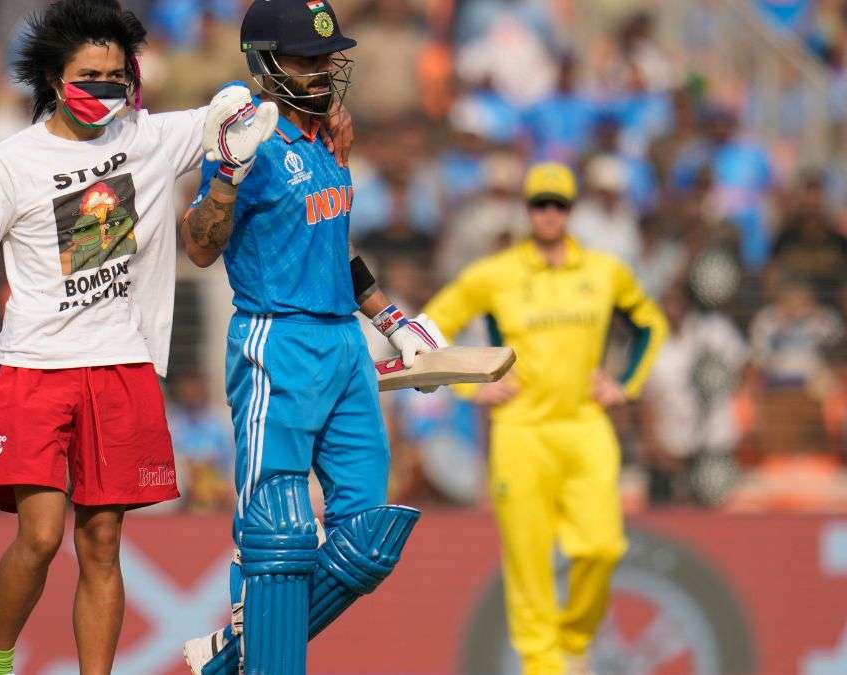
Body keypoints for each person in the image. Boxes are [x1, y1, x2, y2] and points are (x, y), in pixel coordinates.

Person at [0, 2, 285, 674]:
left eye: (115, 75)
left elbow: (240, 109)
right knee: (39, 536)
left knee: (103, 542)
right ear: (52, 76)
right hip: (35, 366)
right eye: (88, 76)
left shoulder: (152, 137)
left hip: (123, 366)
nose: (104, 89)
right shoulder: (11, 161)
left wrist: (281, 108)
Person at [179, 1, 433, 673]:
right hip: (277, 342)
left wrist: (391, 320)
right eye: (306, 60)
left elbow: (333, 250)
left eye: (327, 59)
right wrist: (228, 172)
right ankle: (258, 655)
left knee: (368, 540)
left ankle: (233, 650)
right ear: (266, 62)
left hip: (344, 347)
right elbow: (200, 246)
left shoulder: (331, 141)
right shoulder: (251, 144)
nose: (322, 72)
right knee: (279, 534)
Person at [421, 163, 669, 675]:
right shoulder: (497, 274)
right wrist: (471, 385)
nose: (549, 214)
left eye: (558, 205)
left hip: (585, 427)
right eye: (540, 205)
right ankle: (545, 666)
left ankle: (575, 640)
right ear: (527, 209)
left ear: (572, 210)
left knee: (602, 546)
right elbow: (429, 328)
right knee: (529, 562)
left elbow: (649, 323)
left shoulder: (604, 272)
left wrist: (624, 385)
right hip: (520, 433)